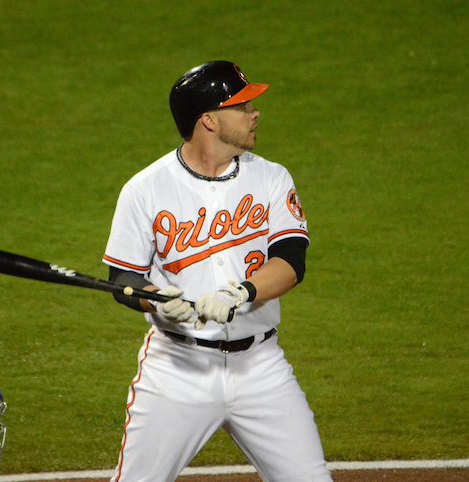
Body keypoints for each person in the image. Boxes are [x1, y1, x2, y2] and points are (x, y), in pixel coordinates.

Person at [102, 61, 332, 481]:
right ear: (208, 120)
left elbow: (291, 261)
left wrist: (241, 293)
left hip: (261, 367)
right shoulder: (145, 189)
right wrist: (156, 299)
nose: (255, 112)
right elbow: (124, 280)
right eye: (242, 105)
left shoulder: (272, 179)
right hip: (176, 369)